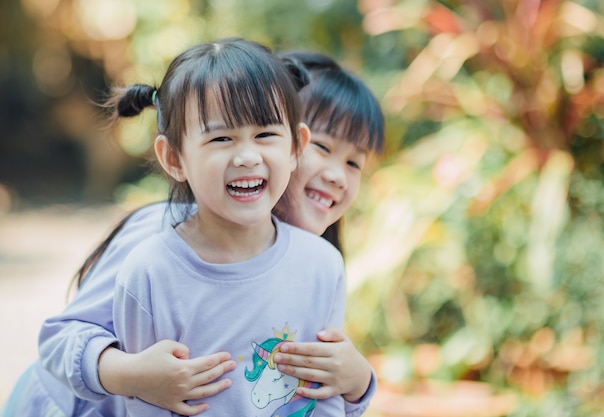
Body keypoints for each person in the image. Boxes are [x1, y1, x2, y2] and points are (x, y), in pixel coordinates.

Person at [1, 46, 385, 417]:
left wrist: (358, 381)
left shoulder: (313, 263)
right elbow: (59, 342)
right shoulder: (160, 239)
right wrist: (131, 374)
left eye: (354, 161)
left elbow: (295, 389)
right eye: (323, 145)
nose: (336, 174)